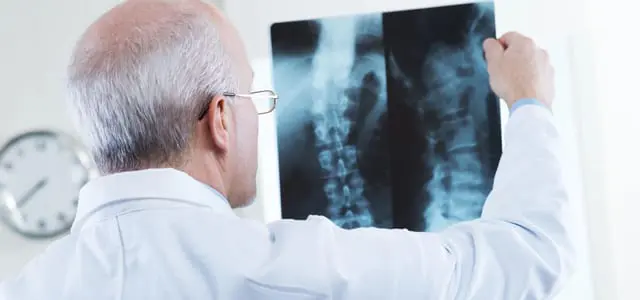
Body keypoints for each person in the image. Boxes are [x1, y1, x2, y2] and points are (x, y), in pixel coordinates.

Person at [0, 0, 575, 299]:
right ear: (221, 119)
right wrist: (529, 104)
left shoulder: (26, 289)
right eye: (251, 95)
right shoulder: (305, 271)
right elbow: (528, 256)